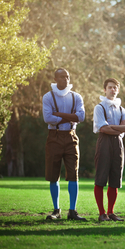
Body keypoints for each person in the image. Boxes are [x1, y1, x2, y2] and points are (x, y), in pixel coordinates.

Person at [42, 68, 86, 221]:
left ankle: (72, 211)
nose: (65, 79)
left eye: (67, 76)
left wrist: (59, 115)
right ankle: (56, 210)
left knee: (73, 174)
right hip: (54, 137)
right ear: (55, 79)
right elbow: (48, 118)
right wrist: (70, 117)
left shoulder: (76, 96)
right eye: (62, 77)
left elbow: (81, 116)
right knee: (53, 175)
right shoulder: (48, 97)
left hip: (71, 137)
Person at [93, 78, 125, 222]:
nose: (113, 90)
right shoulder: (100, 107)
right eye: (110, 87)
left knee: (115, 179)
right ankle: (102, 213)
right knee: (101, 178)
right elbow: (103, 128)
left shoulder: (121, 109)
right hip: (104, 142)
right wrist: (120, 128)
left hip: (118, 143)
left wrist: (113, 127)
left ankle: (111, 212)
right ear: (105, 89)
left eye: (115, 88)